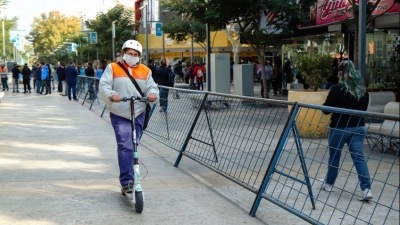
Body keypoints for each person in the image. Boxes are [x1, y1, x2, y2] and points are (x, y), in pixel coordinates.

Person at [99, 40, 159, 193]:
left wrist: (153, 94)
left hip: (139, 111)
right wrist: (112, 95)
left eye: (135, 54)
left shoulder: (145, 70)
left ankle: (132, 177)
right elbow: (104, 86)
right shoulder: (112, 68)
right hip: (120, 112)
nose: (132, 56)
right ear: (123, 53)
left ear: (139, 56)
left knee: (134, 144)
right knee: (125, 145)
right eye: (129, 53)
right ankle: (126, 181)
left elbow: (152, 86)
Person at [320, 59, 372, 201]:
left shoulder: (337, 89)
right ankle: (366, 189)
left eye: (338, 73)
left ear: (341, 73)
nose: (337, 75)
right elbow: (364, 109)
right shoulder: (363, 90)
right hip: (359, 127)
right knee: (358, 157)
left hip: (339, 127)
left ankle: (329, 184)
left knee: (335, 156)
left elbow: (326, 110)